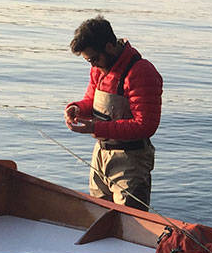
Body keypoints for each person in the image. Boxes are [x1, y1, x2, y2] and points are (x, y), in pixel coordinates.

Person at [64, 15, 162, 209]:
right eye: (88, 61)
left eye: (94, 59)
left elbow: (145, 125)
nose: (93, 65)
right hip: (101, 156)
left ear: (109, 47)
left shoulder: (141, 72)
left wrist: (96, 128)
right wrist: (77, 108)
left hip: (131, 162)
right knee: (98, 212)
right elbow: (91, 100)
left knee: (130, 219)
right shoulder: (99, 69)